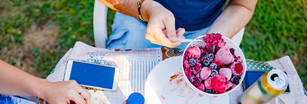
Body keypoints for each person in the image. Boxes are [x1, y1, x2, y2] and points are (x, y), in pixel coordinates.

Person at [99, 0, 258, 49]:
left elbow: (242, 5)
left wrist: (209, 40)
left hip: (204, 31)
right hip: (138, 17)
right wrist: (147, 9)